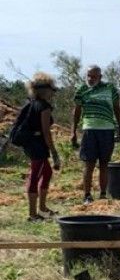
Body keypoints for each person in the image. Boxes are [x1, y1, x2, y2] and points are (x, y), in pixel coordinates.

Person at [71, 65, 120, 205]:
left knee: (104, 164)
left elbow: (116, 108)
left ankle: (102, 194)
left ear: (100, 77)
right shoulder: (81, 90)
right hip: (90, 129)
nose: (90, 79)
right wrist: (73, 131)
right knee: (89, 164)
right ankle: (87, 195)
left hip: (107, 130)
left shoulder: (110, 89)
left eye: (94, 76)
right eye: (88, 75)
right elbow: (77, 111)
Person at [20, 72, 61, 221]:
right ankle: (32, 214)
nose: (53, 93)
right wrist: (54, 153)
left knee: (47, 172)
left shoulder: (31, 103)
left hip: (32, 143)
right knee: (35, 174)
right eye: (52, 90)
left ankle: (42, 207)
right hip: (37, 145)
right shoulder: (44, 107)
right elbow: (46, 132)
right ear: (46, 90)